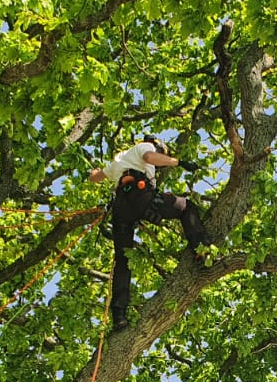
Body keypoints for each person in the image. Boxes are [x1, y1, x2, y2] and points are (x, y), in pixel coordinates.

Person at [89, 136, 208, 330]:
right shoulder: (144, 147)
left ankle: (119, 315)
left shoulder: (118, 161)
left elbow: (95, 178)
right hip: (141, 194)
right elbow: (150, 157)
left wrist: (93, 170)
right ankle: (202, 252)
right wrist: (179, 162)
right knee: (186, 207)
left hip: (122, 208)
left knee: (123, 260)